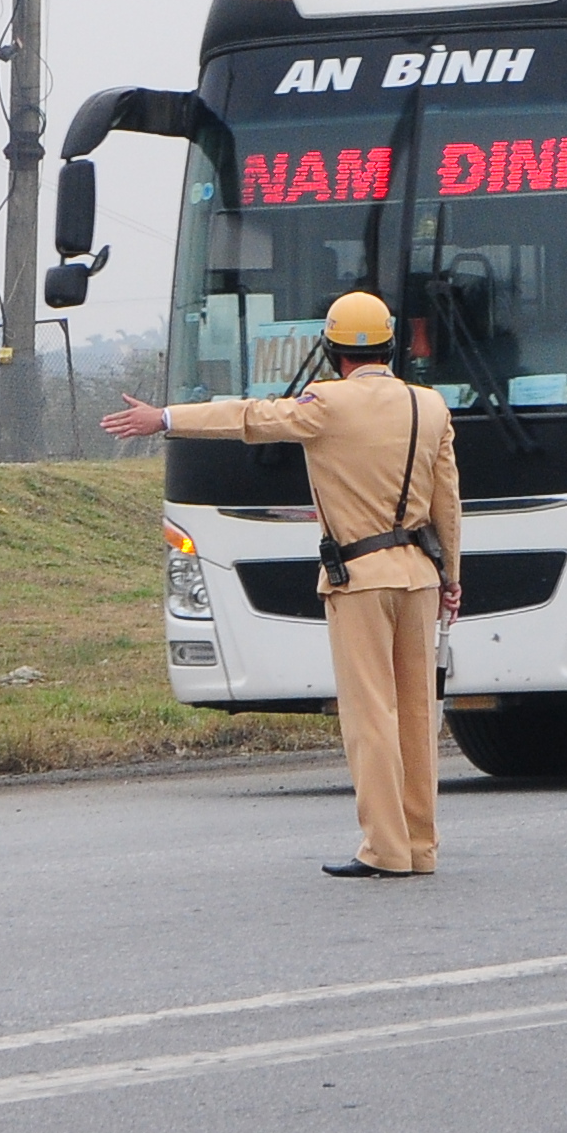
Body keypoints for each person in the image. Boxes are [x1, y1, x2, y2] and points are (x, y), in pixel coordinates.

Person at [102, 290, 462, 878]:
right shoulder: (430, 407)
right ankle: (421, 847)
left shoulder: (326, 404)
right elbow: (448, 502)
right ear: (391, 347)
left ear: (332, 349)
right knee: (417, 716)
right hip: (419, 577)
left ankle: (385, 849)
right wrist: (451, 577)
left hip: (360, 580)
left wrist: (164, 418)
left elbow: (248, 417)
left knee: (370, 717)